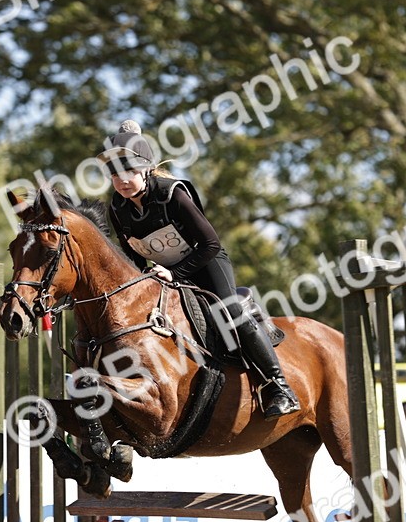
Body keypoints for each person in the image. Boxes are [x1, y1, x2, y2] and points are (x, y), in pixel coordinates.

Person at [95, 120, 299, 419]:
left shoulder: (172, 194)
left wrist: (175, 273)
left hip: (205, 263)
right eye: (115, 175)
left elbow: (210, 244)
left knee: (230, 310)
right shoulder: (117, 207)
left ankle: (280, 387)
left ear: (146, 170)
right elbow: (132, 256)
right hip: (164, 273)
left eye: (129, 173)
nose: (122, 181)